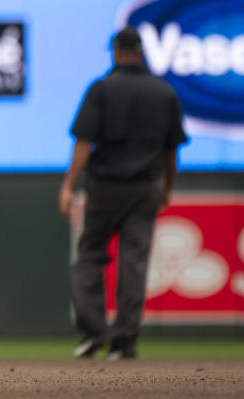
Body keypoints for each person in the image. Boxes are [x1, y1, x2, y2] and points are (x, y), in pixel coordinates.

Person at [59, 27, 187, 361]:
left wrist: (68, 185)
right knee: (134, 263)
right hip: (146, 187)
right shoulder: (164, 92)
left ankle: (92, 334)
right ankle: (124, 342)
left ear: (115, 51)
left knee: (89, 257)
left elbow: (84, 143)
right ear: (141, 52)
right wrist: (167, 188)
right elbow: (171, 152)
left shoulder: (102, 89)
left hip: (106, 188)